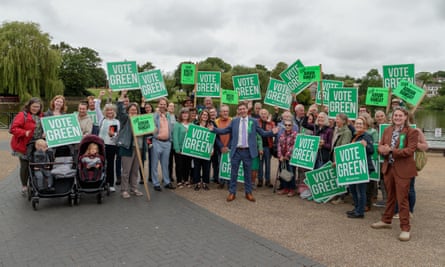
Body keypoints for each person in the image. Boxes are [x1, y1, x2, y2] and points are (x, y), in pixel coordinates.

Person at [211, 102, 278, 202]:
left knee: (248, 174)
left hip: (248, 152)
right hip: (236, 151)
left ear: (247, 110)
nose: (242, 111)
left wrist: (272, 132)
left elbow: (262, 133)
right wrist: (214, 129)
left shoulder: (253, 121)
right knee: (233, 173)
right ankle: (232, 193)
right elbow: (225, 130)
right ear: (238, 111)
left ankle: (248, 192)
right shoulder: (234, 121)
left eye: (244, 109)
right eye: (240, 109)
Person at [372, 107, 418, 242]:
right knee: (390, 197)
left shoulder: (412, 132)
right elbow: (380, 146)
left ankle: (405, 228)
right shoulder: (387, 130)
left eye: (400, 116)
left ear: (405, 117)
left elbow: (410, 150)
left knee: (402, 199)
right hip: (389, 168)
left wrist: (391, 150)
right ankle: (386, 220)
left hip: (403, 170)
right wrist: (382, 150)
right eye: (395, 115)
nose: (397, 117)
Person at [393, 112, 429, 219]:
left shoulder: (416, 130)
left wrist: (413, 144)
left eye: (401, 116)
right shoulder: (393, 129)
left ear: (407, 118)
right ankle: (396, 210)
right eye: (396, 116)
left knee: (410, 188)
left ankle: (410, 211)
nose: (399, 118)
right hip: (395, 162)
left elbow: (425, 146)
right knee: (396, 188)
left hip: (409, 163)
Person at [10, 97, 44, 195]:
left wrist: (45, 133)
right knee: (24, 166)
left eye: (37, 107)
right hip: (24, 145)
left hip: (37, 145)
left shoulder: (41, 116)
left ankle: (35, 182)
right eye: (33, 106)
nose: (35, 108)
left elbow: (45, 127)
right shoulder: (22, 115)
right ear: (29, 106)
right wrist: (24, 132)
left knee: (36, 163)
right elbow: (13, 129)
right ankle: (24, 185)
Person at [116, 91, 144, 198]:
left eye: (135, 109)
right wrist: (122, 96)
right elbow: (120, 110)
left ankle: (134, 188)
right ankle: (124, 190)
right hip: (127, 147)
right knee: (126, 171)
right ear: (128, 111)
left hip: (139, 147)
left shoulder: (141, 120)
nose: (133, 111)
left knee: (135, 170)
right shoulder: (125, 119)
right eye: (131, 109)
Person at [345, 116, 375, 219]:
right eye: (357, 123)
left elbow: (372, 150)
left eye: (360, 124)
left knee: (360, 190)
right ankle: (357, 208)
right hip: (354, 167)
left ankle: (360, 211)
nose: (358, 125)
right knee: (353, 189)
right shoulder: (355, 136)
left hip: (363, 167)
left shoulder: (367, 136)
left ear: (365, 126)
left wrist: (366, 146)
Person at [96, 90, 120, 192]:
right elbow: (97, 107)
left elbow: (116, 135)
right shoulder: (102, 119)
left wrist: (113, 135)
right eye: (107, 110)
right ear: (105, 112)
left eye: (111, 111)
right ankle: (101, 182)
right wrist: (100, 96)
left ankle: (110, 183)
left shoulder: (116, 121)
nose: (109, 112)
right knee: (100, 164)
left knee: (110, 164)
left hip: (111, 145)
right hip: (101, 145)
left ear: (114, 112)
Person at [151, 97, 176, 192]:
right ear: (158, 105)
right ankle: (156, 183)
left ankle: (167, 182)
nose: (162, 105)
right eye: (161, 104)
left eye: (164, 104)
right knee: (154, 164)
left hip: (167, 143)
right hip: (157, 141)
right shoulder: (155, 115)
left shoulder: (169, 115)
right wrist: (157, 114)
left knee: (166, 164)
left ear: (166, 105)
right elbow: (152, 125)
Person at [330, 113, 352, 205]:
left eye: (338, 119)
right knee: (336, 177)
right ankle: (338, 194)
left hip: (339, 158)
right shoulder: (336, 129)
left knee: (341, 178)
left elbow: (343, 147)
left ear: (343, 121)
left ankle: (341, 197)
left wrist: (338, 160)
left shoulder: (346, 132)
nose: (336, 120)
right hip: (334, 155)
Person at [277, 119, 297, 197]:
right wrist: (280, 155)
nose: (287, 126)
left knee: (291, 172)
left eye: (289, 125)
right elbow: (279, 145)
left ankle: (292, 189)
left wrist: (286, 156)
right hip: (282, 157)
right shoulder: (282, 134)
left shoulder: (295, 134)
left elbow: (293, 146)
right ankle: (285, 188)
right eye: (286, 125)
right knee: (284, 172)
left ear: (292, 126)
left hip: (290, 157)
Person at [173, 108, 192, 188]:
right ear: (181, 115)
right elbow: (175, 137)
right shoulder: (177, 124)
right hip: (180, 148)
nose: (185, 115)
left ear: (189, 115)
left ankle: (186, 180)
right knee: (179, 165)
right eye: (183, 113)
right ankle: (179, 180)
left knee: (187, 165)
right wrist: (177, 149)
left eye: (186, 113)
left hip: (188, 149)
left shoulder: (192, 124)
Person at [214, 104, 232, 189]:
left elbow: (234, 136)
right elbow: (216, 136)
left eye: (227, 111)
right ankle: (221, 182)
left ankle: (229, 183)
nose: (225, 113)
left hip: (229, 147)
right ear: (220, 112)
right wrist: (221, 147)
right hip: (220, 148)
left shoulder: (232, 121)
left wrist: (228, 146)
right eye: (223, 111)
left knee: (229, 165)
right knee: (220, 164)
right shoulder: (216, 122)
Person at [257, 109, 275, 188]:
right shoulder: (257, 122)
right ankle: (260, 180)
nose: (263, 115)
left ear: (267, 115)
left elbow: (274, 133)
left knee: (268, 164)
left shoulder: (271, 123)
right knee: (260, 165)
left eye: (265, 113)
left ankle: (268, 180)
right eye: (262, 113)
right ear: (260, 115)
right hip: (259, 147)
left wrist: (269, 123)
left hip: (268, 147)